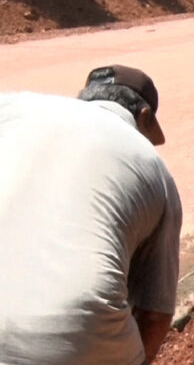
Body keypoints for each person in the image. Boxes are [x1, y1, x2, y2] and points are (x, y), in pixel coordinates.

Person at [0, 65, 183, 363]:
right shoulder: (155, 168)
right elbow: (155, 314)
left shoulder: (19, 108)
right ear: (145, 118)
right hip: (76, 337)